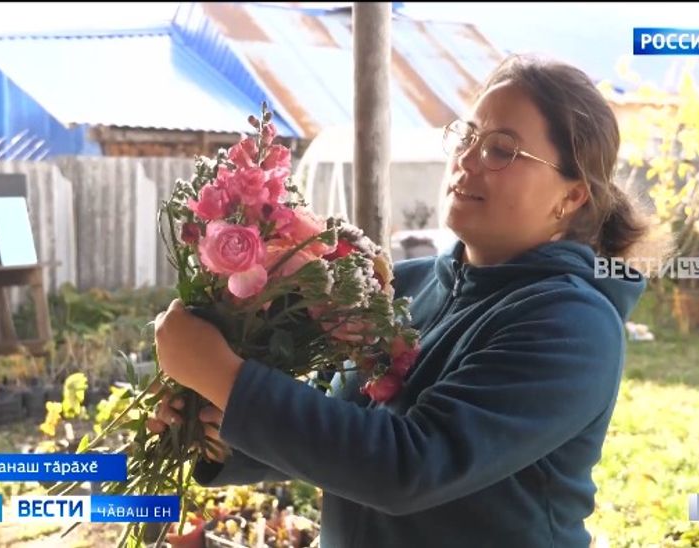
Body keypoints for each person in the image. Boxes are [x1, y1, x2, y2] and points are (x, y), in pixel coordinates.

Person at [149, 54, 659, 547]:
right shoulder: (407, 287)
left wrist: (228, 379)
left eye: (501, 149)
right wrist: (221, 430)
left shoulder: (573, 325)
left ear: (571, 197)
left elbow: (410, 467)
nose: (466, 159)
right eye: (468, 136)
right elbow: (339, 429)